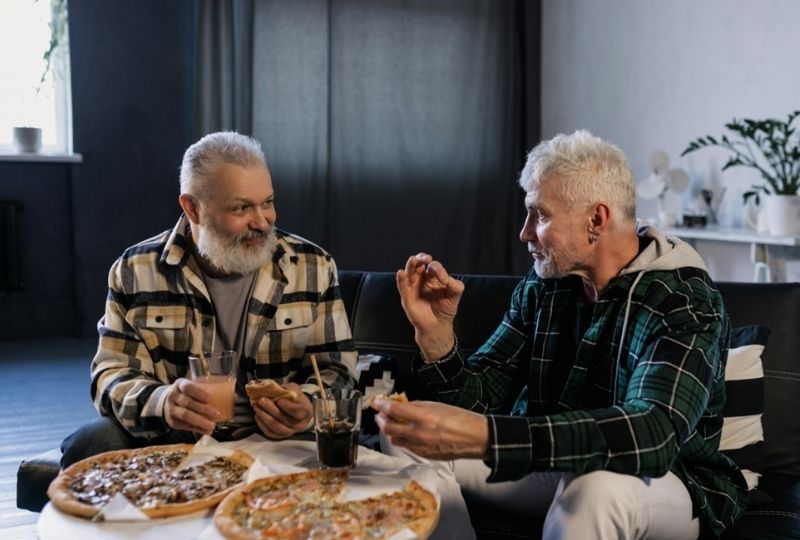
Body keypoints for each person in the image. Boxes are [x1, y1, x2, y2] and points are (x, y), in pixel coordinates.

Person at [374, 130, 747, 539]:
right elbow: (480, 396)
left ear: (596, 220)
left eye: (540, 214)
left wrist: (486, 435)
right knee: (407, 437)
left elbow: (652, 434)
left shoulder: (682, 300)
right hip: (554, 457)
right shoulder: (545, 285)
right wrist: (436, 334)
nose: (525, 233)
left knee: (597, 485)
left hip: (665, 479)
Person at [61, 131, 358, 466]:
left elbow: (339, 372)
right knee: (91, 440)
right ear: (193, 208)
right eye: (242, 207)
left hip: (284, 440)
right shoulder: (134, 270)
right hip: (179, 438)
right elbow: (111, 376)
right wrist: (164, 403)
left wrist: (307, 404)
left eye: (268, 202)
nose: (263, 222)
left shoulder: (313, 265)